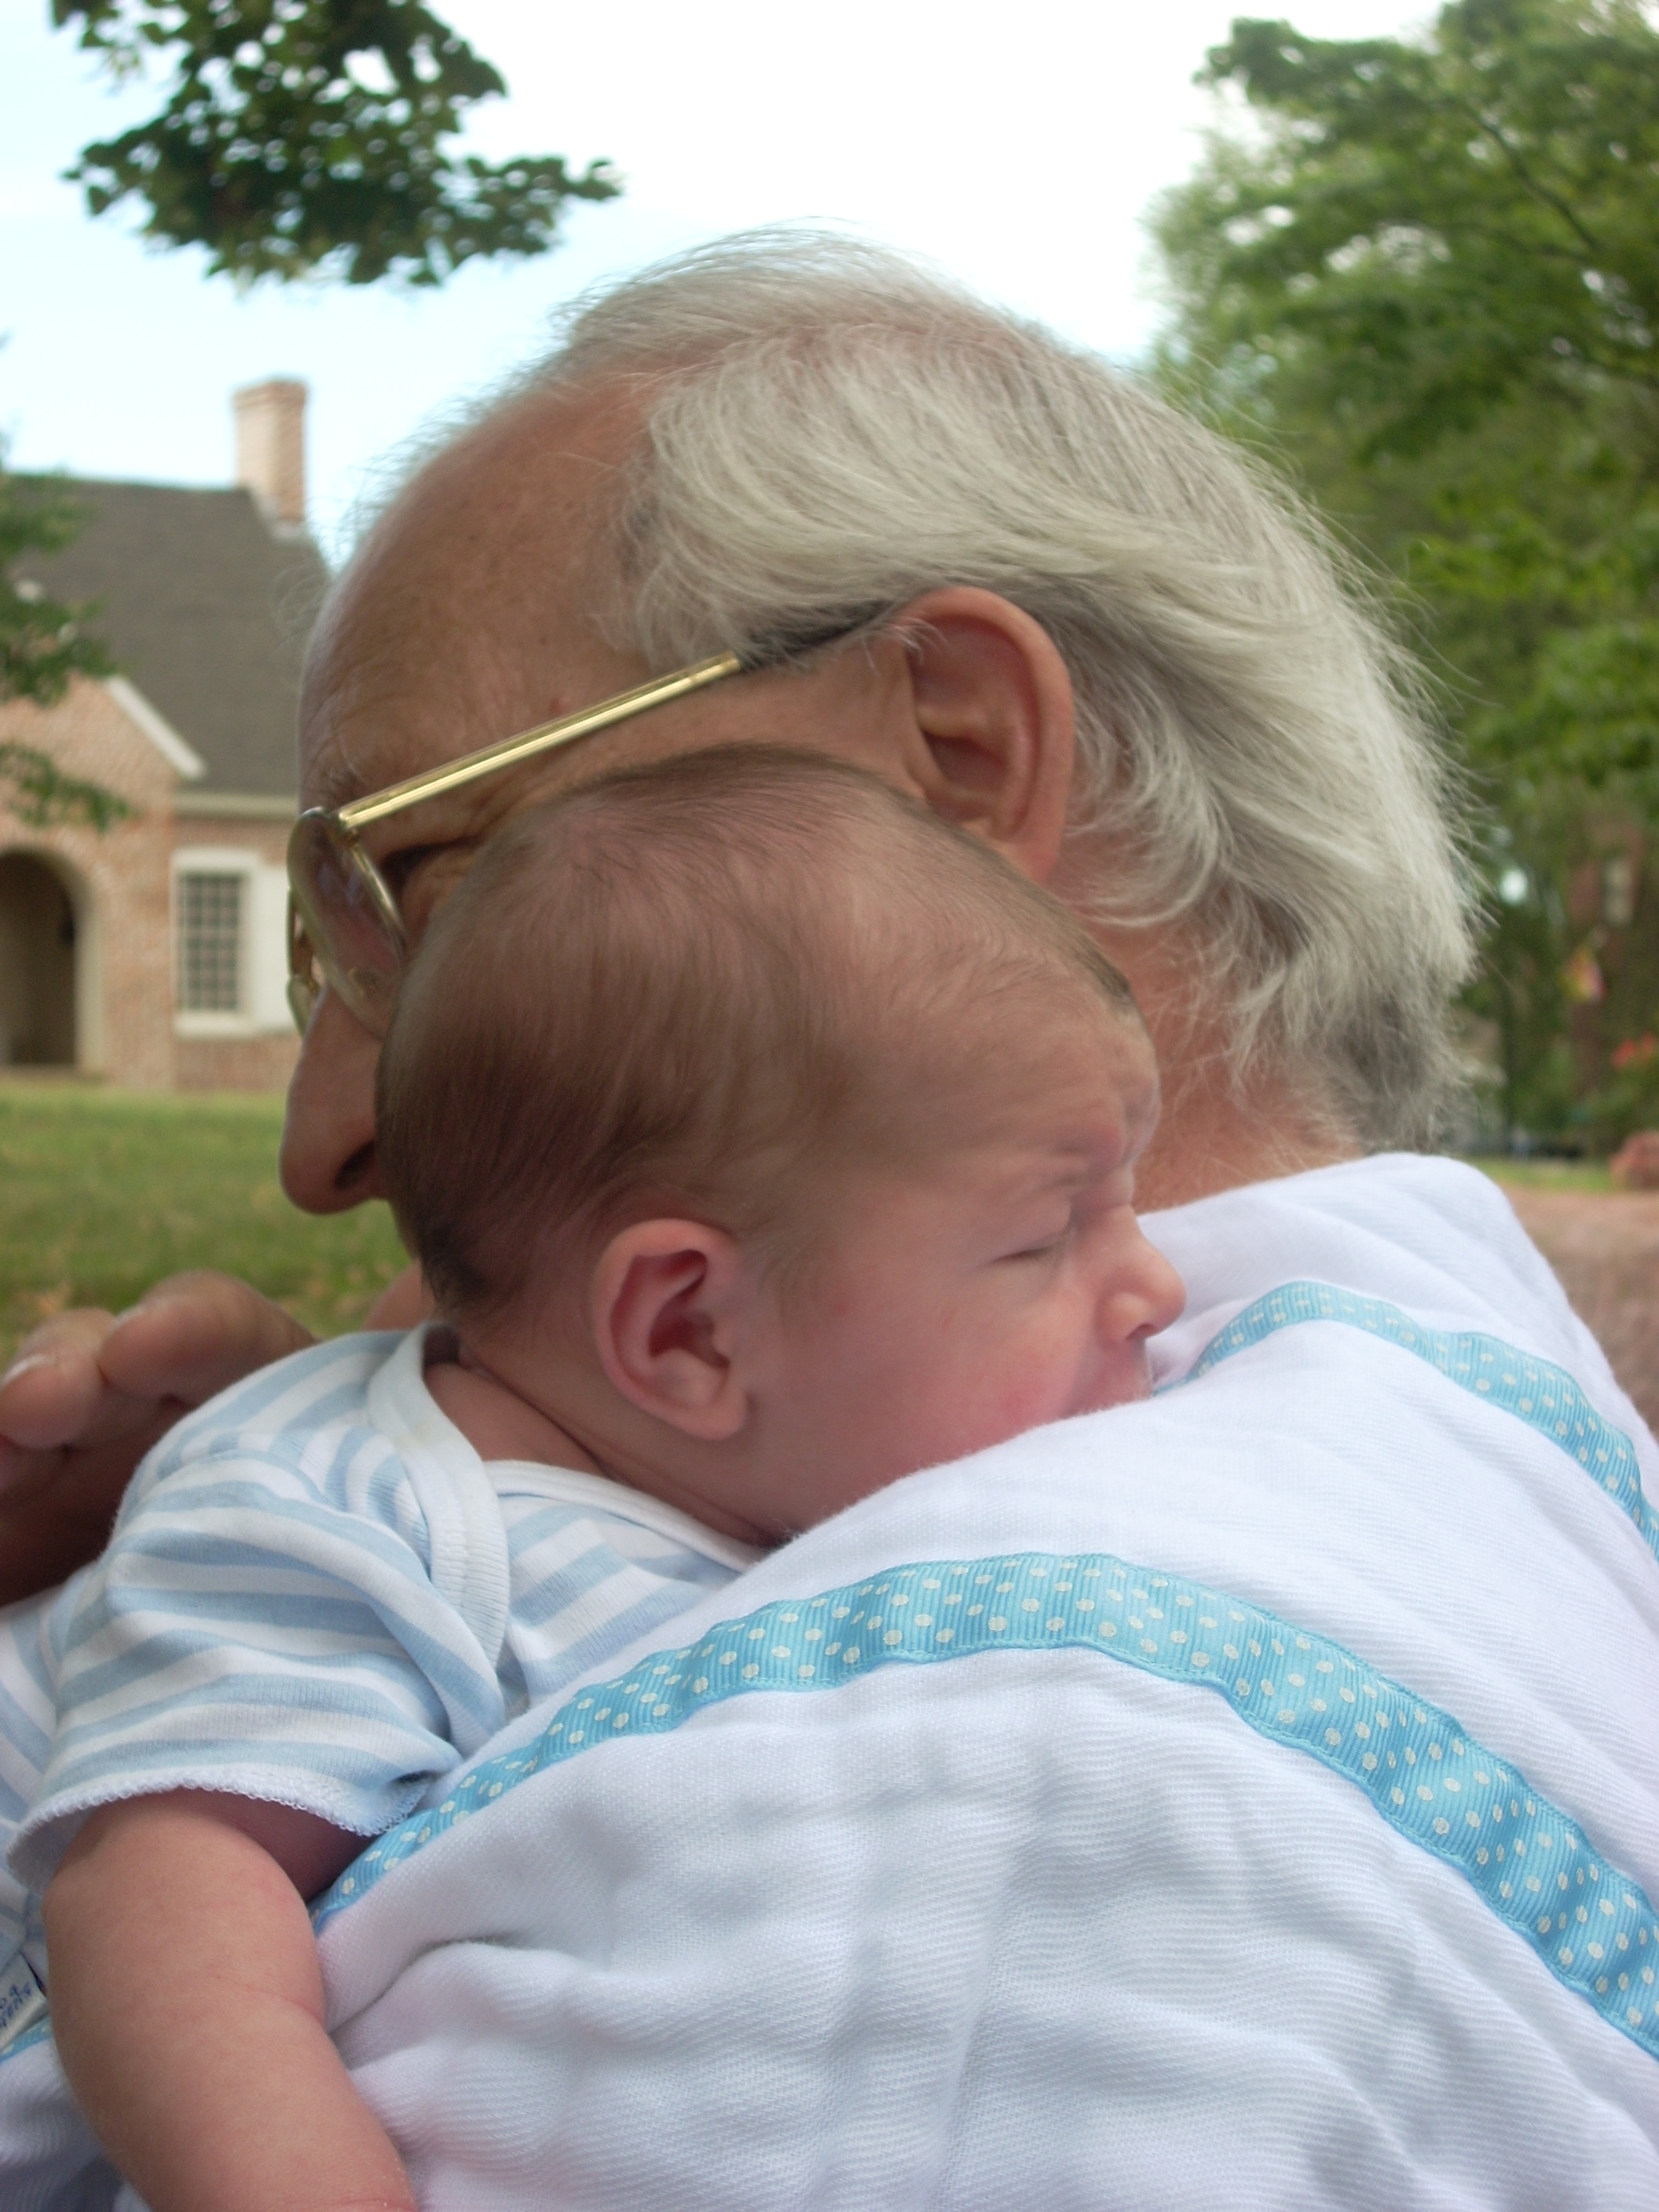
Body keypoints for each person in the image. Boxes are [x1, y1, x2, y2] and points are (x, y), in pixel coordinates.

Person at [1, 236, 1654, 2205]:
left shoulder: (1044, 1782)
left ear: (955, 755)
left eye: (408, 889)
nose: (327, 1135)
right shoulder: (1478, 1473)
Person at [9, 749, 1183, 2212]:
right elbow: (155, 1910)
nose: (1157, 1285)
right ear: (687, 1330)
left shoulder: (733, 1486)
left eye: (1132, 1198)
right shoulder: (350, 1515)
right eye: (1049, 1232)